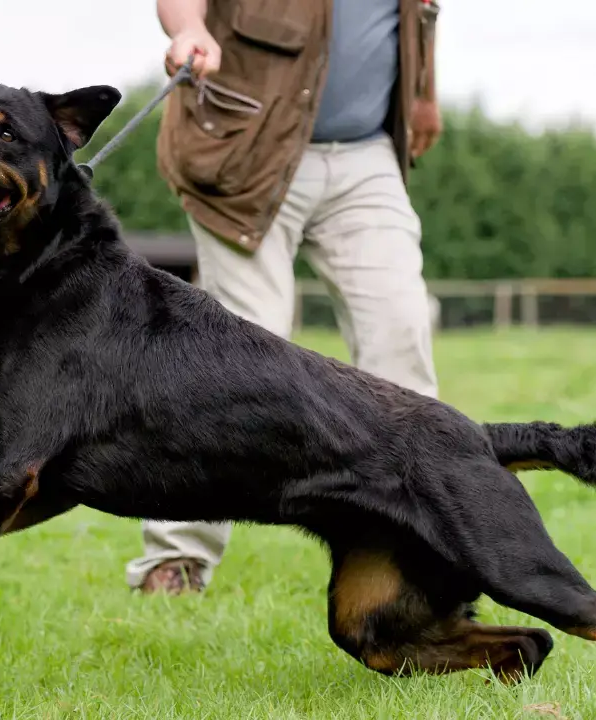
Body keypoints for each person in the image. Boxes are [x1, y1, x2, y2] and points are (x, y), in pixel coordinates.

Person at [126, 0, 445, 595]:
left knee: (402, 334)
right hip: (248, 148)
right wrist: (190, 29)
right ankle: (176, 559)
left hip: (366, 153)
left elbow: (418, 14)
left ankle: (415, 559)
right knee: (235, 362)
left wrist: (423, 94)